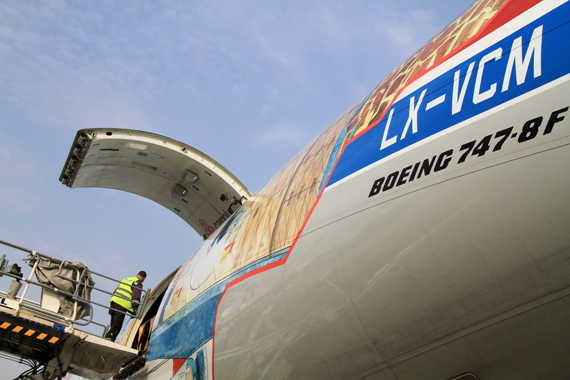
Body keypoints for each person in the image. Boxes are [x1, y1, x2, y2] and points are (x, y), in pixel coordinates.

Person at [105, 270, 146, 342]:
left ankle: (109, 336)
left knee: (113, 322)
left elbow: (115, 291)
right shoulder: (138, 283)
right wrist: (135, 310)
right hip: (122, 303)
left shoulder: (126, 279)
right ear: (143, 278)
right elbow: (136, 296)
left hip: (114, 301)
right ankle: (109, 337)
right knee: (117, 323)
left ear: (137, 274)